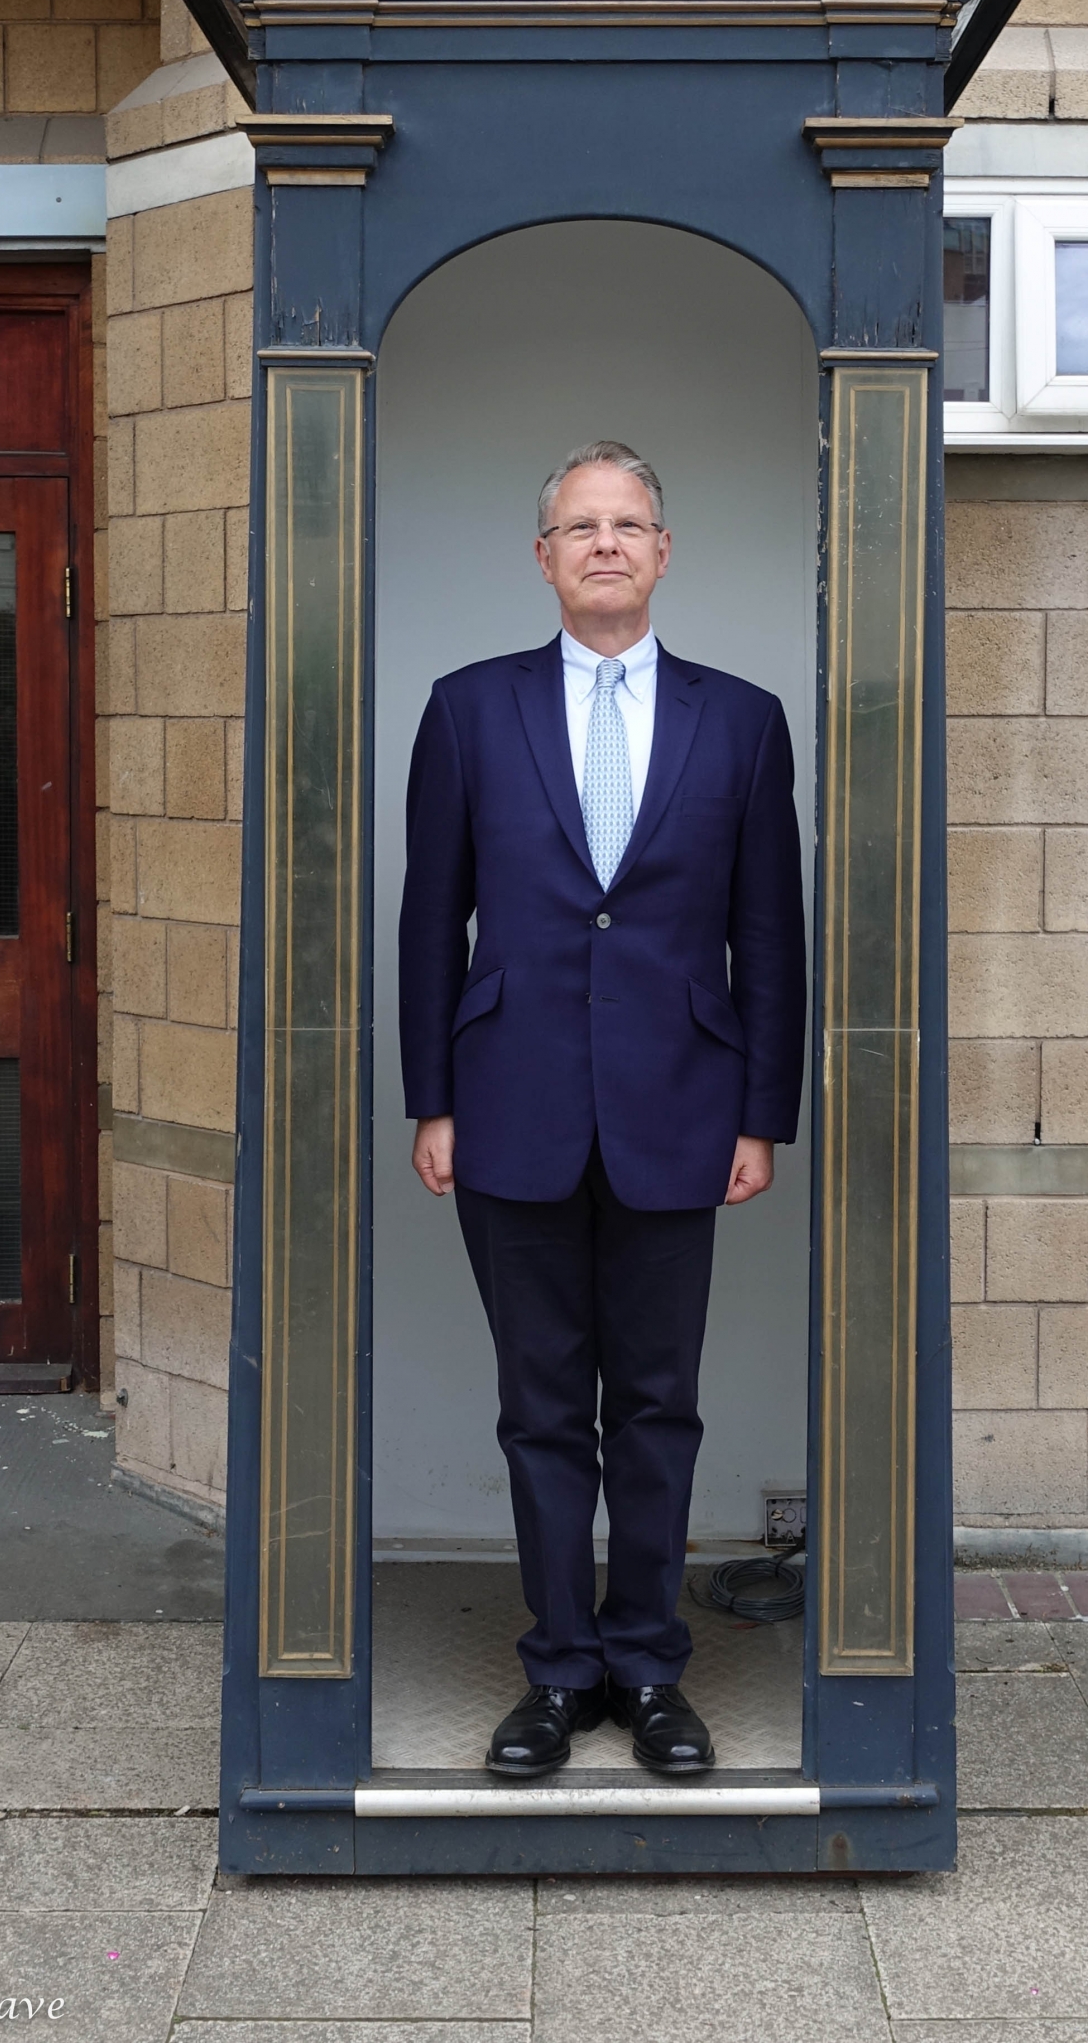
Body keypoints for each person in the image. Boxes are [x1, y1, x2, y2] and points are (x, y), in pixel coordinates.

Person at [399, 440, 806, 1777]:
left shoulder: (741, 721)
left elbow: (768, 934)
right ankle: (559, 1673)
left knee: (656, 1405)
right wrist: (431, 1097)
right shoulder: (467, 709)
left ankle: (648, 1667)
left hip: (682, 1110)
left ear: (664, 551)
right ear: (545, 557)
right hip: (507, 1101)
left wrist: (762, 1115)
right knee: (538, 1407)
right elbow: (428, 922)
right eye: (582, 526)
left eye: (630, 524)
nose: (608, 544)